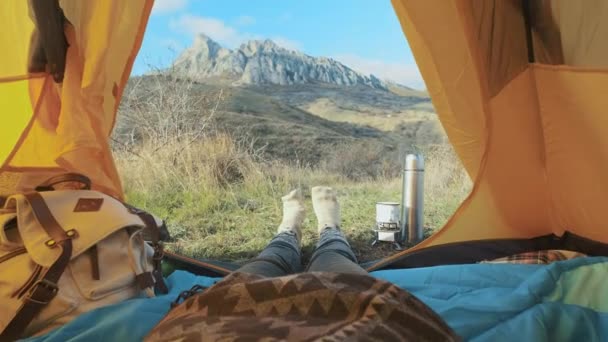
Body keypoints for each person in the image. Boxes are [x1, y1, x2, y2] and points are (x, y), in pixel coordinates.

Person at [146, 187, 459, 341]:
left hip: (216, 317)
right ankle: (329, 231)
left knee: (268, 260)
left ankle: (288, 233)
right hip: (367, 315)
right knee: (336, 261)